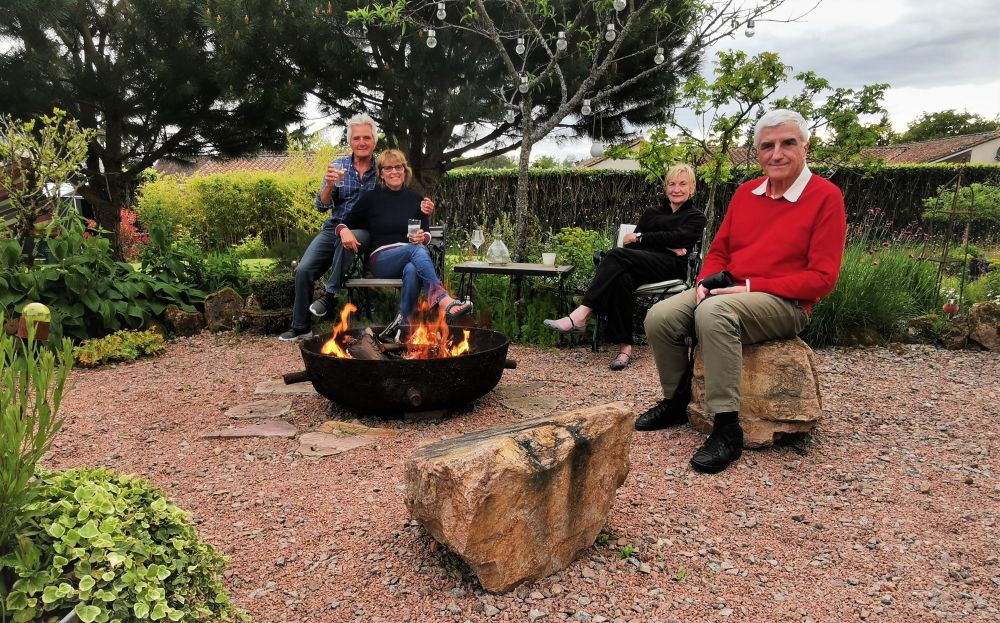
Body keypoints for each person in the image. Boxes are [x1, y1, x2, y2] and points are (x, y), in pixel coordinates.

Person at [637, 109, 846, 474]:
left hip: (785, 302)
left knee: (713, 314)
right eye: (767, 146)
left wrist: (748, 287)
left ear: (805, 147)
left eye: (787, 143)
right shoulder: (747, 192)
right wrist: (706, 281)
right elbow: (720, 250)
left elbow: (822, 279)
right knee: (661, 316)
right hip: (733, 289)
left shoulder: (825, 196)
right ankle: (676, 399)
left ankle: (727, 428)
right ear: (758, 152)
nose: (777, 153)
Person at [278, 114, 434, 341]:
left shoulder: (381, 168)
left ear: (374, 141)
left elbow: (400, 196)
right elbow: (321, 205)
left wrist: (424, 208)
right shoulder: (339, 167)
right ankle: (301, 326)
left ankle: (329, 296)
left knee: (352, 237)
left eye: (367, 138)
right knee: (303, 270)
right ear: (350, 142)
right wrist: (329, 185)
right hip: (336, 226)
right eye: (357, 138)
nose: (362, 142)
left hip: (366, 231)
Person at [543, 164, 706, 370]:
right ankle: (625, 347)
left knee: (615, 254)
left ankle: (582, 314)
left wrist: (644, 238)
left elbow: (681, 237)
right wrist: (668, 245)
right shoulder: (652, 212)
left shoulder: (695, 216)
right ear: (666, 187)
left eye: (682, 184)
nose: (676, 189)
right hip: (642, 262)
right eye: (672, 184)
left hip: (670, 267)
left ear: (691, 187)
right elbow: (631, 242)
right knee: (622, 279)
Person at [337, 149, 472, 334]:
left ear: (404, 170)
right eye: (388, 168)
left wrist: (421, 237)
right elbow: (344, 222)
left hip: (411, 256)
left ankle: (405, 328)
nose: (394, 171)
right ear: (381, 173)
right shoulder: (370, 198)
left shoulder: (416, 199)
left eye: (398, 166)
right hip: (381, 259)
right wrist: (343, 230)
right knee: (416, 251)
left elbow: (426, 235)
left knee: (412, 268)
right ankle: (442, 299)